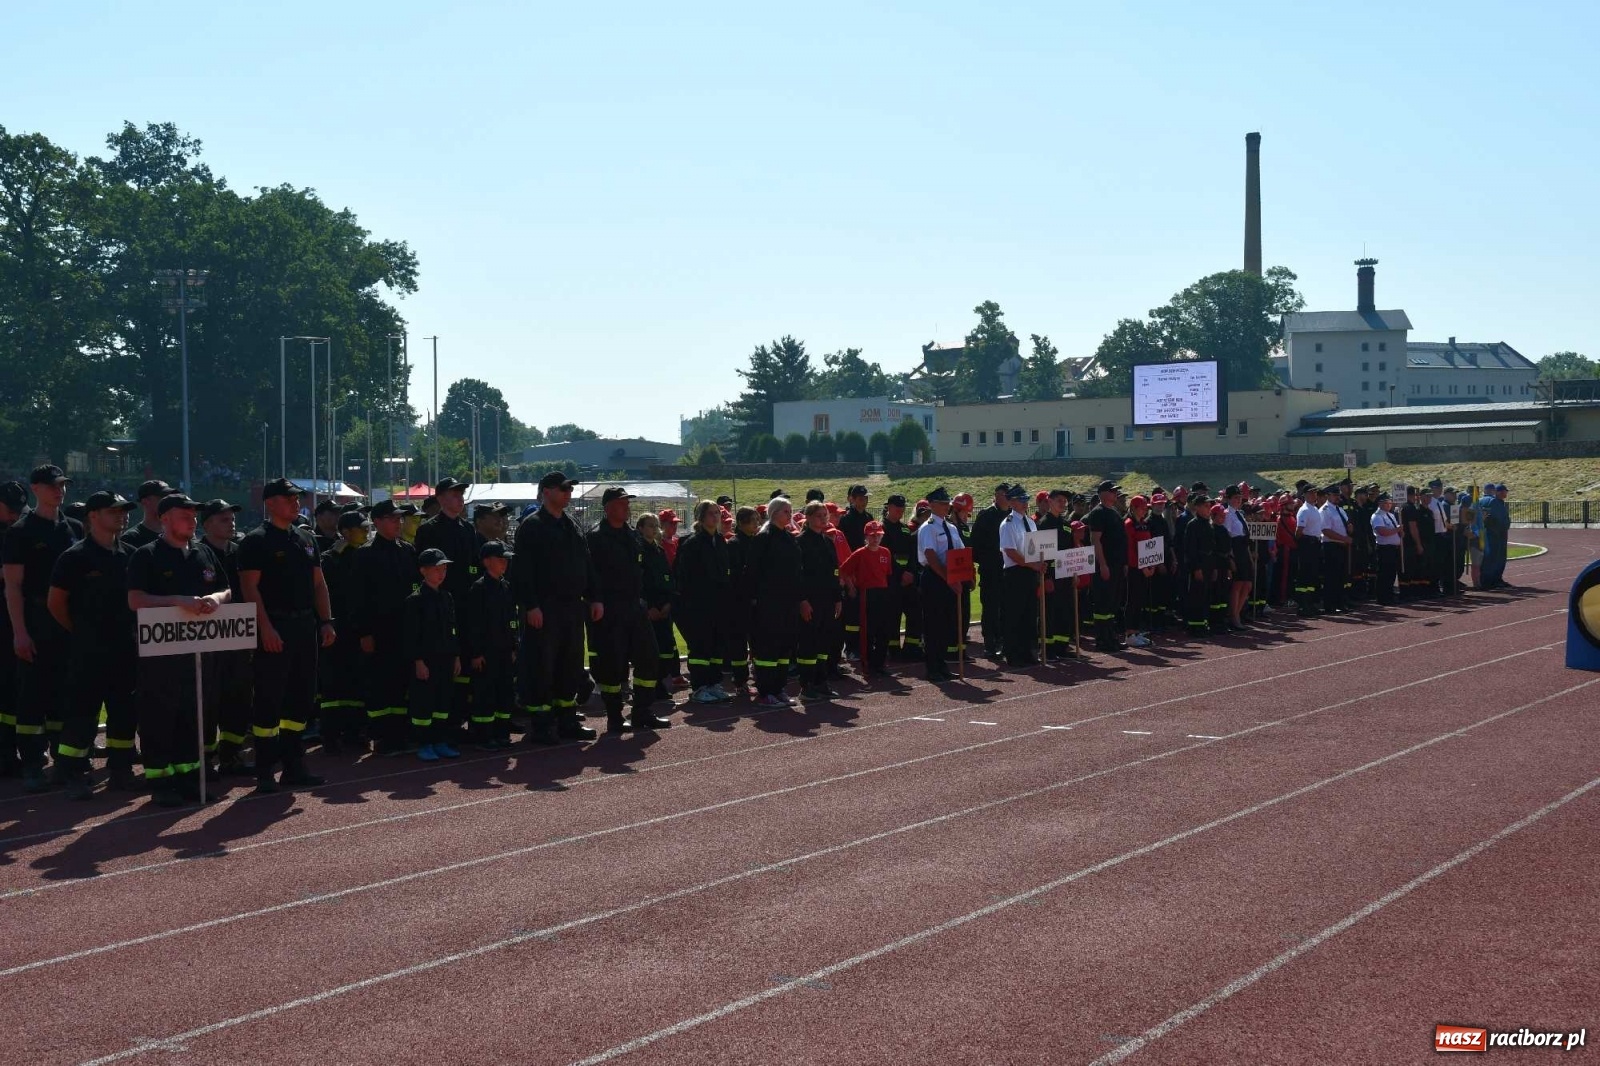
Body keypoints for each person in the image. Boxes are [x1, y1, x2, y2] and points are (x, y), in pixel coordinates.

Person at [126, 493, 232, 807]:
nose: (192, 519)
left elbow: (226, 588)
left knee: (194, 716)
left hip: (198, 652)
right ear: (165, 519)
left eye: (193, 514)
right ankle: (160, 782)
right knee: (160, 716)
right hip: (161, 656)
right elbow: (135, 600)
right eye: (184, 514)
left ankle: (189, 779)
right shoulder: (146, 555)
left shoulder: (203, 553)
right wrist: (176, 600)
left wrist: (216, 598)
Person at [239, 478, 336, 792]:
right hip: (275, 626)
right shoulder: (256, 541)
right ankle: (265, 770)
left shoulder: (306, 539)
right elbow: (249, 588)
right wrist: (265, 628)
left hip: (305, 627)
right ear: (270, 503)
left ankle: (295, 766)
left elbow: (319, 584)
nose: (296, 503)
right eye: (288, 498)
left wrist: (326, 621)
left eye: (297, 498)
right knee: (269, 699)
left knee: (301, 699)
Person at [47, 490, 139, 798]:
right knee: (81, 712)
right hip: (89, 649)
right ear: (93, 516)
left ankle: (121, 769)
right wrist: (81, 631)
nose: (122, 515)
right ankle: (74, 771)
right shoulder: (75, 557)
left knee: (124, 710)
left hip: (125, 648)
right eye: (114, 511)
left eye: (124, 510)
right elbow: (56, 603)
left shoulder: (129, 554)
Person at [4, 464, 83, 792]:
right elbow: (13, 587)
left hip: (70, 622)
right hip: (37, 621)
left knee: (67, 694)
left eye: (62, 484)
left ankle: (64, 762)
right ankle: (33, 764)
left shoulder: (75, 528)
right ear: (35, 488)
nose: (59, 490)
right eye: (52, 485)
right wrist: (20, 632)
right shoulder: (20, 532)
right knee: (33, 694)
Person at [513, 471, 599, 744]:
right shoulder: (532, 526)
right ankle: (541, 725)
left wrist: (594, 597)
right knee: (542, 665)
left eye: (569, 489)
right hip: (545, 609)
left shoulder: (571, 524)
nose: (568, 493)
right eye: (563, 489)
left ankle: (567, 721)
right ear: (546, 491)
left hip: (572, 608)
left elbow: (586, 563)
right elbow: (523, 572)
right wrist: (531, 606)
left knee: (570, 665)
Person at [584, 487, 671, 733]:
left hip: (635, 607)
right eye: (622, 503)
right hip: (610, 611)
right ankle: (614, 716)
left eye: (627, 503)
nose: (627, 507)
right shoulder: (595, 538)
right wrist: (595, 601)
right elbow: (590, 576)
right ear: (608, 507)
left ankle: (642, 711)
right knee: (613, 665)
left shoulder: (632, 536)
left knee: (649, 659)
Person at [353, 499, 419, 754]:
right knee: (380, 683)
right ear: (377, 521)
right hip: (380, 630)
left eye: (399, 518)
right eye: (392, 518)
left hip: (404, 628)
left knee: (402, 682)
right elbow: (358, 598)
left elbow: (415, 588)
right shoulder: (365, 554)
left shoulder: (407, 551)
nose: (398, 522)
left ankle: (400, 733)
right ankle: (381, 735)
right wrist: (365, 632)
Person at [200, 498, 254, 774]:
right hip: (207, 641)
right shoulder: (198, 553)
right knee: (208, 700)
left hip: (239, 637)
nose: (231, 522)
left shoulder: (240, 552)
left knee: (238, 697)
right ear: (207, 523)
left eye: (232, 517)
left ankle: (230, 754)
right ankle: (206, 758)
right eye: (223, 518)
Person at [317, 509, 369, 753]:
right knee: (333, 684)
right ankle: (330, 734)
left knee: (357, 682)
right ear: (346, 532)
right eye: (362, 528)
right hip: (337, 629)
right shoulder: (330, 558)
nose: (367, 532)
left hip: (357, 629)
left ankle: (354, 731)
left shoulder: (365, 556)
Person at [674, 501, 734, 704]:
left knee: (717, 647)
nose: (715, 517)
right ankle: (699, 687)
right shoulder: (692, 543)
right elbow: (684, 577)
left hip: (719, 604)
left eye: (717, 513)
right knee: (700, 647)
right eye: (711, 513)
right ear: (701, 517)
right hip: (699, 605)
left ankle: (714, 683)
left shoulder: (720, 541)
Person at [746, 497, 803, 707]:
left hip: (788, 601)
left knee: (785, 646)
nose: (790, 515)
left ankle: (779, 688)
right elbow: (753, 570)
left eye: (791, 511)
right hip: (769, 602)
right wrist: (756, 599)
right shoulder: (764, 537)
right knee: (768, 647)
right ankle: (765, 691)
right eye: (786, 511)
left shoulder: (788, 537)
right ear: (774, 512)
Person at [460, 540, 517, 749]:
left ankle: (501, 732)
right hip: (486, 652)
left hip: (504, 650)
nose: (504, 563)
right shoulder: (479, 588)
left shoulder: (506, 586)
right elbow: (473, 624)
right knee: (485, 693)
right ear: (486, 561)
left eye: (506, 560)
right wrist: (476, 653)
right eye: (500, 559)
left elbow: (512, 619)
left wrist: (513, 646)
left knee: (504, 692)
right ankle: (483, 736)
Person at [405, 548, 461, 760]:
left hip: (446, 658)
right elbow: (412, 635)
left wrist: (456, 656)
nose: (441, 573)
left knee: (442, 703)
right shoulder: (415, 600)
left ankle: (439, 740)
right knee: (423, 703)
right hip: (427, 660)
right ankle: (424, 743)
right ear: (423, 571)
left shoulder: (447, 596)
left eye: (444, 568)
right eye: (437, 568)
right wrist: (418, 661)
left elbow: (453, 628)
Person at [795, 501, 843, 701]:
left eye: (825, 515)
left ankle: (821, 681)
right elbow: (797, 576)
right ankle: (806, 686)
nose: (824, 519)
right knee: (809, 643)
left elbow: (834, 572)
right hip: (810, 600)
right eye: (819, 515)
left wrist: (837, 598)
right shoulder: (800, 542)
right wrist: (802, 600)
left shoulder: (827, 542)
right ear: (808, 517)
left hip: (827, 601)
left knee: (824, 643)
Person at [916, 487, 964, 682]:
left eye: (947, 504)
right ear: (932, 505)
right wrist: (949, 578)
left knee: (946, 624)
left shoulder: (951, 527)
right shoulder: (928, 527)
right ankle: (932, 667)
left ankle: (942, 664)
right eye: (943, 503)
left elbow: (960, 553)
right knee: (933, 625)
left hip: (950, 578)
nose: (947, 507)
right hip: (935, 578)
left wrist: (965, 575)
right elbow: (931, 557)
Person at [839, 520, 892, 675]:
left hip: (882, 593)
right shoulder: (860, 553)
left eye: (878, 535)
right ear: (866, 537)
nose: (875, 538)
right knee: (868, 630)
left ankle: (880, 663)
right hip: (867, 594)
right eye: (872, 535)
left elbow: (886, 574)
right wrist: (851, 587)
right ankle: (867, 664)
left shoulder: (886, 552)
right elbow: (844, 570)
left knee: (884, 630)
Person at [638, 512, 682, 698]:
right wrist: (648, 607)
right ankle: (647, 689)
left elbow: (668, 578)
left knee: (665, 648)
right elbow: (638, 582)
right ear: (640, 528)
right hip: (647, 609)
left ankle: (660, 682)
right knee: (648, 650)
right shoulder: (637, 550)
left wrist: (668, 603)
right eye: (650, 525)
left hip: (663, 608)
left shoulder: (659, 550)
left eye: (656, 526)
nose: (654, 529)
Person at [0, 480, 27, 777]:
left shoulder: (17, 532)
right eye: (9, 509)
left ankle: (10, 751)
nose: (14, 515)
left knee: (12, 690)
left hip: (12, 621)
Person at [998, 484, 1042, 667]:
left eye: (1026, 500)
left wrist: (1040, 562)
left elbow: (1036, 546)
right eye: (1021, 500)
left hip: (1030, 572)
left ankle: (1027, 651)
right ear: (1012, 502)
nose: (1025, 503)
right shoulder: (1008, 523)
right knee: (1014, 615)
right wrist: (1033, 564)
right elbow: (1010, 551)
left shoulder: (1030, 522)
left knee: (1030, 614)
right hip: (1016, 572)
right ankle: (1013, 653)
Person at [1085, 480, 1128, 653]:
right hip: (1106, 565)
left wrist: (1123, 563)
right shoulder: (1098, 513)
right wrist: (1102, 564)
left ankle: (1111, 636)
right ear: (1102, 493)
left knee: (1113, 603)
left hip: (1116, 565)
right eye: (1112, 491)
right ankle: (1103, 639)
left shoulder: (1114, 512)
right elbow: (1095, 540)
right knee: (1103, 603)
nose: (1115, 494)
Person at [969, 484, 1009, 659]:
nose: (1006, 498)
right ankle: (990, 643)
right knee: (991, 608)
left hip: (1009, 570)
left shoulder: (1012, 516)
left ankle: (1004, 640)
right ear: (996, 495)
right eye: (1003, 494)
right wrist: (988, 560)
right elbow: (975, 544)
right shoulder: (986, 515)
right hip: (991, 570)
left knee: (1007, 607)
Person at [880, 494, 921, 660]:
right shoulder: (881, 528)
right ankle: (893, 650)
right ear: (888, 507)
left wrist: (910, 572)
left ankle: (911, 647)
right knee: (892, 616)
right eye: (897, 507)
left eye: (902, 507)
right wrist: (900, 573)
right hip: (891, 580)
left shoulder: (904, 529)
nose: (900, 510)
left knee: (915, 613)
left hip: (908, 580)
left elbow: (912, 553)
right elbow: (885, 555)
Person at [1123, 495, 1156, 648]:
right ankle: (1130, 633)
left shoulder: (1143, 524)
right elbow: (1130, 550)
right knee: (1133, 600)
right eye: (1143, 507)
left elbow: (1149, 546)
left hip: (1145, 568)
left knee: (1140, 600)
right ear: (1135, 508)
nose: (1145, 510)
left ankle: (1135, 631)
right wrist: (1143, 567)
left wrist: (1152, 564)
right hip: (1134, 569)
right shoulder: (1129, 524)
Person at [1181, 495, 1214, 638]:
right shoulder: (1193, 525)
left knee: (1205, 595)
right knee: (1196, 596)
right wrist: (1196, 568)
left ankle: (1203, 623)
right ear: (1198, 507)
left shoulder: (1208, 524)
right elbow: (1190, 549)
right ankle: (1194, 626)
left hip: (1208, 563)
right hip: (1198, 564)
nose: (1209, 509)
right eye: (1206, 506)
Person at [1319, 484, 1352, 614]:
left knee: (1340, 577)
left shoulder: (1340, 510)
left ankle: (1340, 602)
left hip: (1341, 547)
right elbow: (1326, 530)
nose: (1337, 497)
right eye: (1334, 495)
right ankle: (1330, 605)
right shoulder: (1325, 510)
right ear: (1328, 496)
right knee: (1331, 578)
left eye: (1338, 495)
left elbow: (1346, 525)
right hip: (1331, 546)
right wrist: (1344, 539)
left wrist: (1350, 528)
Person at [1293, 486, 1325, 615]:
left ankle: (1310, 603)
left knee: (1312, 575)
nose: (1313, 495)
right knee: (1304, 575)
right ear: (1305, 494)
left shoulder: (1314, 509)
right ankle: (1302, 605)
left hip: (1315, 543)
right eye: (1310, 493)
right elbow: (1299, 531)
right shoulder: (1304, 510)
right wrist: (1304, 544)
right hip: (1307, 543)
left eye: (1315, 492)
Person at [120, 479, 174, 550]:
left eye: (169, 497)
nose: (168, 501)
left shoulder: (176, 534)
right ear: (145, 502)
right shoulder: (130, 538)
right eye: (162, 497)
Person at [1371, 492, 1402, 605]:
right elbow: (1382, 531)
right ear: (1380, 503)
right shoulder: (1377, 516)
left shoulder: (1390, 515)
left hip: (1393, 548)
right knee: (1384, 573)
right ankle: (1382, 597)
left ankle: (1389, 595)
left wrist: (1399, 533)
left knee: (1391, 573)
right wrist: (1397, 530)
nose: (1389, 504)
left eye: (1390, 502)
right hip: (1384, 548)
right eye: (1387, 502)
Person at [1400, 486, 1430, 599]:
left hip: (1403, 542)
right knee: (1410, 568)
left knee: (1407, 568)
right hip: (1409, 543)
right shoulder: (1410, 508)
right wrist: (1418, 544)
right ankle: (1408, 593)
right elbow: (1413, 527)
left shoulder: (1402, 507)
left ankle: (1407, 592)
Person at [1479, 483, 1511, 589]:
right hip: (1494, 534)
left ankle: (1497, 579)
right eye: (1503, 491)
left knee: (1499, 557)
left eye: (1505, 491)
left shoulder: (1499, 502)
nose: (1505, 493)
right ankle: (1489, 581)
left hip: (1499, 534)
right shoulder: (1493, 501)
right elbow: (1490, 518)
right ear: (1496, 492)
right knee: (1492, 557)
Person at [1426, 478, 1454, 597]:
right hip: (1435, 535)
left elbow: (1444, 519)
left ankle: (1443, 587)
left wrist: (1450, 526)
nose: (1440, 490)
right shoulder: (1430, 503)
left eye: (1440, 487)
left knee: (1443, 563)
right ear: (1431, 489)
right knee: (1435, 564)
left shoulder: (1438, 502)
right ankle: (1434, 588)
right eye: (1437, 488)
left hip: (1443, 534)